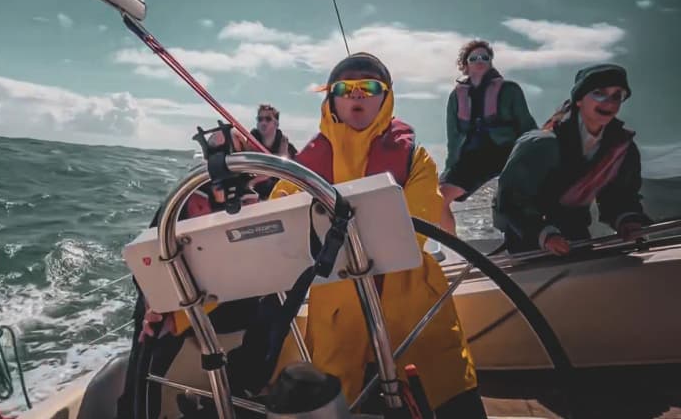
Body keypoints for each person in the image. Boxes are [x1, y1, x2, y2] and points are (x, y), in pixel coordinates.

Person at [269, 52, 486, 419]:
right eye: (345, 88)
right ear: (331, 98)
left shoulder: (417, 160)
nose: (357, 95)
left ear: (385, 97)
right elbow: (275, 236)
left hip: (414, 311)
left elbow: (412, 234)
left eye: (369, 87)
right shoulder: (302, 168)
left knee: (444, 400)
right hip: (339, 320)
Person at [493, 63, 650, 255]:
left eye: (617, 95)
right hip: (529, 237)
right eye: (599, 93)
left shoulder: (621, 147)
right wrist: (545, 235)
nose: (609, 102)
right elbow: (510, 199)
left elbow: (620, 195)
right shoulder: (541, 145)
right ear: (579, 100)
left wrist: (628, 221)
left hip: (575, 232)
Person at [438, 39, 537, 233]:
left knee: (516, 198)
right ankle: (455, 248)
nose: (480, 60)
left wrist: (534, 156)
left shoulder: (510, 90)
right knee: (437, 198)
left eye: (485, 57)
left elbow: (527, 125)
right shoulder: (455, 96)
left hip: (505, 151)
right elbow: (453, 136)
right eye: (474, 58)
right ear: (465, 64)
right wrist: (450, 168)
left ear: (491, 61)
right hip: (472, 157)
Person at [251, 103, 298, 200]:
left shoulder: (288, 148)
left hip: (280, 198)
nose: (263, 123)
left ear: (276, 123)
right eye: (260, 119)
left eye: (268, 119)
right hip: (255, 198)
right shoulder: (249, 144)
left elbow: (296, 176)